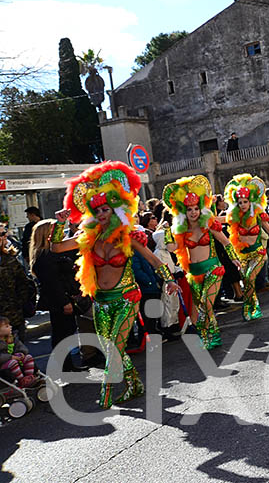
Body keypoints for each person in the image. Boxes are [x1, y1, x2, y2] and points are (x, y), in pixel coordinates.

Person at [51, 161, 179, 408]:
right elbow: (57, 247)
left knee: (113, 349)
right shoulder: (87, 237)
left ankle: (106, 393)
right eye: (96, 211)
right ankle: (134, 384)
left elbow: (152, 259)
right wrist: (60, 224)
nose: (101, 215)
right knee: (114, 349)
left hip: (127, 298)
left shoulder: (128, 235)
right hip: (101, 302)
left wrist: (169, 279)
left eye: (106, 210)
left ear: (116, 210)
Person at [163, 175, 242, 348]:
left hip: (213, 268)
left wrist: (234, 258)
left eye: (195, 209)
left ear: (200, 209)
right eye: (189, 209)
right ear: (184, 211)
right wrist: (168, 230)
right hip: (194, 273)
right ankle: (209, 335)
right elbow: (170, 248)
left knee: (206, 304)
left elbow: (225, 242)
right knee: (203, 309)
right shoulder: (181, 230)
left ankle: (212, 336)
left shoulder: (208, 224)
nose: (193, 212)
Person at [223, 174, 269, 321]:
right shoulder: (235, 217)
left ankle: (248, 307)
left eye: (245, 201)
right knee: (247, 281)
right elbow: (222, 219)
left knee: (249, 277)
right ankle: (255, 305)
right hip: (243, 255)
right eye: (240, 202)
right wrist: (205, 218)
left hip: (258, 253)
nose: (243, 205)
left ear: (251, 201)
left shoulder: (258, 215)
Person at [30, 219, 85, 371]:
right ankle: (64, 366)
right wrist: (64, 302)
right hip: (59, 300)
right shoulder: (44, 256)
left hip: (64, 297)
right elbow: (52, 283)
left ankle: (67, 365)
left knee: (66, 331)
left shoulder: (50, 253)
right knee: (62, 333)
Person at [0, 226, 33, 341]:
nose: (5, 236)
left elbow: (23, 283)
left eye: (5, 233)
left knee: (19, 352)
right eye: (1, 234)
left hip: (14, 317)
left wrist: (20, 303)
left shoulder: (10, 258)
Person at [0, 316, 38, 387]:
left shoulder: (13, 338)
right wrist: (11, 357)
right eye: (7, 326)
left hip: (14, 361)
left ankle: (29, 377)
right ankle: (22, 381)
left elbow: (21, 347)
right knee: (13, 362)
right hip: (3, 365)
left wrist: (21, 353)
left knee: (28, 357)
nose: (10, 327)